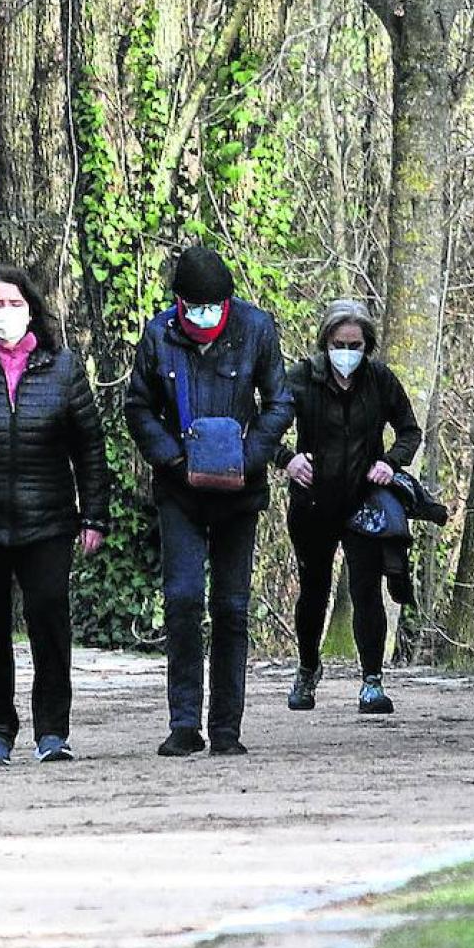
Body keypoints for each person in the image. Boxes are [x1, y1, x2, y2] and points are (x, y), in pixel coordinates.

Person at [0, 268, 112, 767]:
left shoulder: (62, 368)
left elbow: (88, 446)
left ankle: (53, 729)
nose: (5, 313)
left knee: (49, 619)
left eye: (14, 304)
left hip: (48, 520)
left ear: (31, 309)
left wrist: (94, 515)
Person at [123, 245, 294, 757]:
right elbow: (138, 407)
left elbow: (279, 401)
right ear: (179, 302)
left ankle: (226, 728)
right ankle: (183, 724)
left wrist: (248, 455)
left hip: (240, 493)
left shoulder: (255, 329)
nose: (205, 316)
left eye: (214, 306)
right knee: (181, 601)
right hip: (180, 492)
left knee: (232, 607)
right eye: (196, 307)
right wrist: (174, 459)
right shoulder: (158, 336)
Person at [276, 299, 422, 714]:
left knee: (366, 591)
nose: (347, 352)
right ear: (325, 342)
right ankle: (307, 669)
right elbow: (266, 425)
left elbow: (410, 431)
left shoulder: (379, 380)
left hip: (364, 503)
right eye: (339, 343)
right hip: (312, 502)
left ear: (367, 346)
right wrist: (288, 459)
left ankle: (372, 681)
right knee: (313, 591)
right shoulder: (301, 379)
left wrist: (388, 463)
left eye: (355, 344)